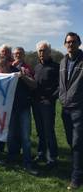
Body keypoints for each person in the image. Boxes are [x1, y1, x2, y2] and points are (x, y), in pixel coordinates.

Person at [2, 47, 37, 175]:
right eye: (16, 53)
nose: (18, 55)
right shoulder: (8, 67)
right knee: (10, 135)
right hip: (11, 107)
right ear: (13, 55)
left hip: (24, 107)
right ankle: (11, 158)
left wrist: (23, 76)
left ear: (24, 55)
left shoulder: (27, 68)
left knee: (25, 137)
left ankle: (27, 162)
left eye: (20, 53)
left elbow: (34, 85)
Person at [59, 32, 83, 190]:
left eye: (73, 42)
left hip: (79, 108)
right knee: (70, 141)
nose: (70, 44)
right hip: (65, 108)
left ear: (79, 43)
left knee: (77, 143)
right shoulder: (62, 61)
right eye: (68, 42)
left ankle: (76, 178)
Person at [32, 41, 59, 169]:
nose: (42, 53)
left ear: (49, 52)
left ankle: (52, 157)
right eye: (40, 51)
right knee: (40, 131)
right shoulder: (36, 67)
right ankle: (41, 153)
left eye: (44, 51)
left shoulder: (56, 67)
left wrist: (52, 98)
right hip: (36, 104)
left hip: (47, 104)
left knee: (49, 131)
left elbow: (61, 86)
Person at [0, 44, 13, 152]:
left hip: (9, 99)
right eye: (2, 51)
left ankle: (11, 148)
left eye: (6, 51)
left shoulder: (13, 65)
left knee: (9, 124)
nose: (4, 53)